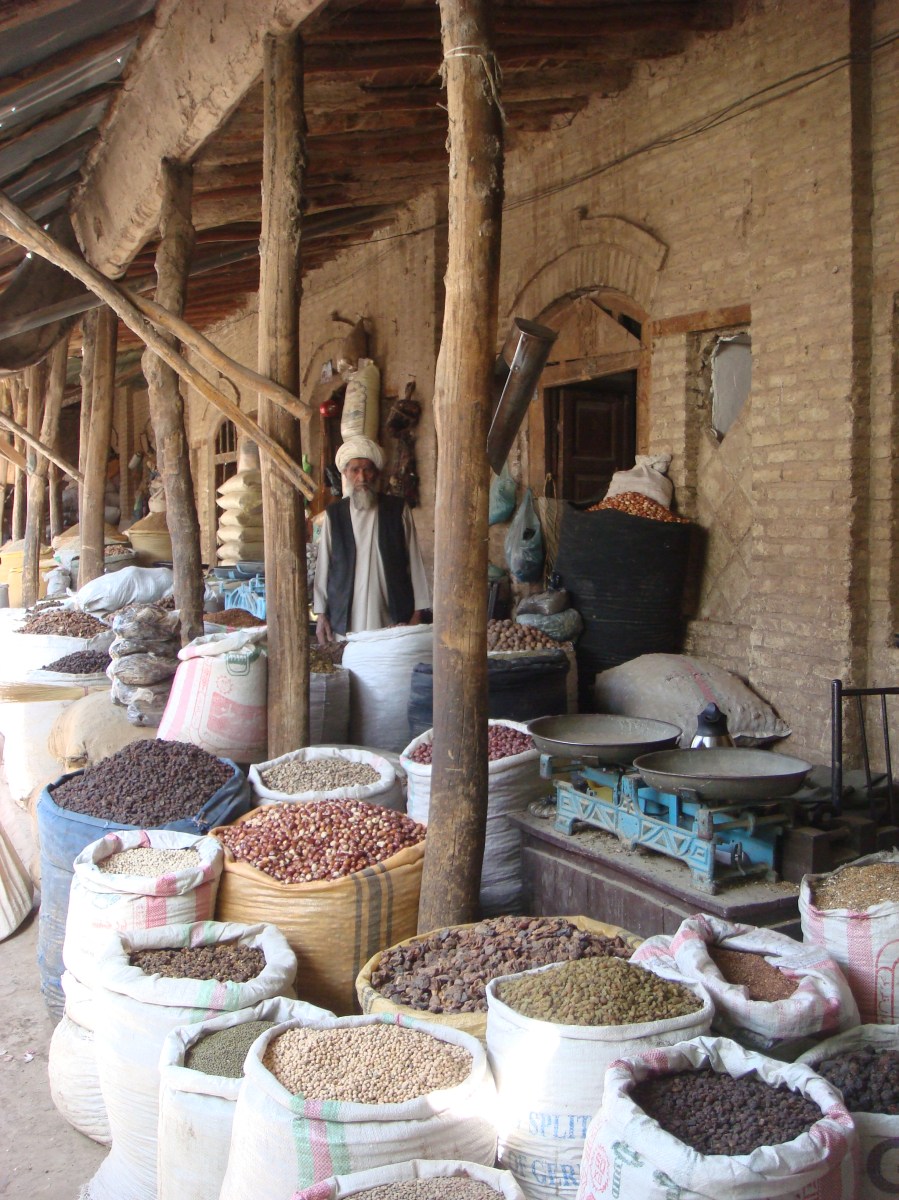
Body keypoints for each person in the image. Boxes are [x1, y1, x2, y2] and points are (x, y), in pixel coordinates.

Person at [313, 434, 430, 644]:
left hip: (391, 613)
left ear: (376, 473)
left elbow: (414, 560)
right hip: (345, 616)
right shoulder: (334, 514)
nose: (362, 477)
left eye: (367, 469)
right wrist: (321, 613)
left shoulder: (397, 509)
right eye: (355, 470)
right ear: (346, 474)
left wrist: (418, 611)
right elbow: (324, 567)